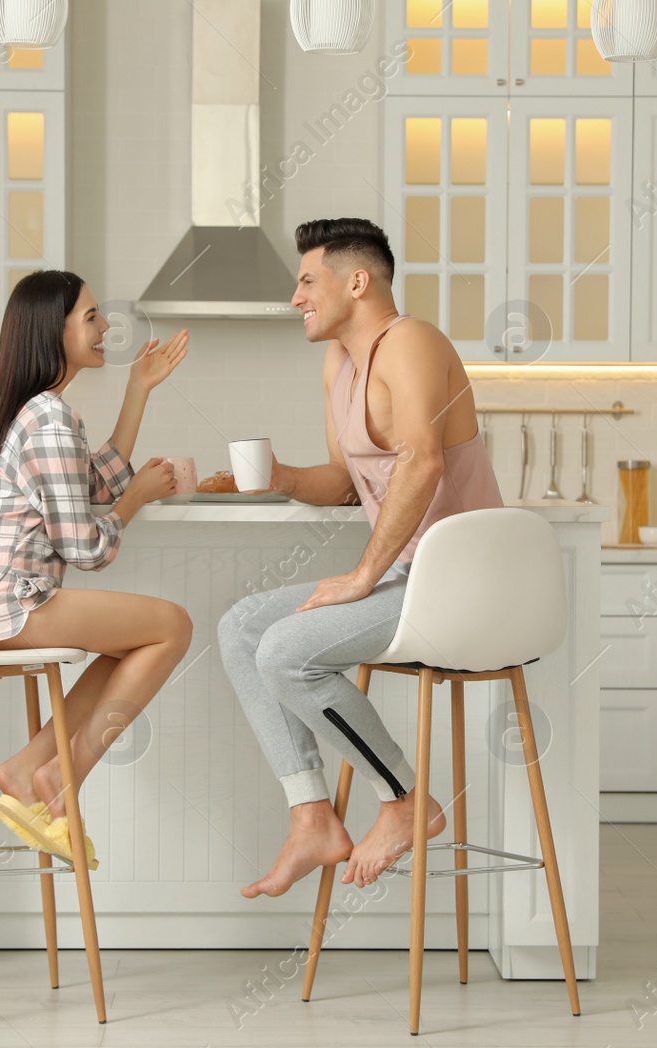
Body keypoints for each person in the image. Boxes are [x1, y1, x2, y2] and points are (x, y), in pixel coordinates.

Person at [218, 218, 504, 898]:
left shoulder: (412, 342)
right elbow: (348, 483)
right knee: (241, 628)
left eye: (307, 280)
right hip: (410, 580)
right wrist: (277, 476)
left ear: (356, 281)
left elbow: (424, 459)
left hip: (463, 583)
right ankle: (312, 814)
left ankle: (405, 799)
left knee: (285, 651)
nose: (296, 298)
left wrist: (361, 576)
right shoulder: (339, 365)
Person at [0, 269, 193, 868]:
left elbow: (88, 482)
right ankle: (58, 782)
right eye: (92, 318)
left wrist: (138, 391)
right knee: (172, 626)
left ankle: (27, 769)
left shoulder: (28, 409)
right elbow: (86, 548)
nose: (104, 329)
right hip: (2, 602)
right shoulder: (48, 418)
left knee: (131, 644)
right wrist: (137, 500)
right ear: (57, 329)